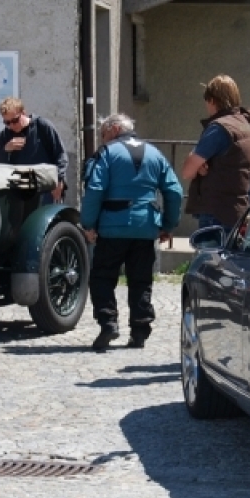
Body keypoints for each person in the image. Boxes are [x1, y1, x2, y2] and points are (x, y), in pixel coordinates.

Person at [80, 113, 184, 351]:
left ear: (114, 129)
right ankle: (139, 331)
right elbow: (175, 191)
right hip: (145, 227)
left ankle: (108, 322)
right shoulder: (155, 153)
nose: (103, 140)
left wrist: (88, 224)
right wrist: (168, 225)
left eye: (104, 134)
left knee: (103, 276)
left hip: (112, 226)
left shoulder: (107, 154)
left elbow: (95, 189)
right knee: (141, 280)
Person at [180, 75, 250, 234]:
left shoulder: (219, 128)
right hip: (237, 211)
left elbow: (187, 171)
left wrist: (198, 163)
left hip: (216, 214)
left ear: (212, 100)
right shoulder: (244, 125)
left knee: (211, 259)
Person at [0, 97, 69, 202]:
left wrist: (59, 179)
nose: (11, 126)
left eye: (15, 121)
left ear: (23, 113)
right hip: (18, 193)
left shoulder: (42, 126)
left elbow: (60, 155)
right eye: (7, 122)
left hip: (45, 189)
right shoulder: (5, 135)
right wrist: (6, 150)